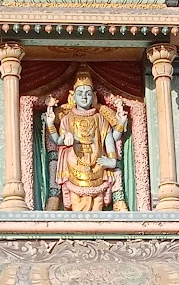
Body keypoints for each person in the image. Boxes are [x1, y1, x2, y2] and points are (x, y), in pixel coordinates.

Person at [43, 71, 129, 211]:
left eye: (88, 93)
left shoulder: (99, 118)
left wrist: (112, 160)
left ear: (94, 96)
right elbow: (58, 140)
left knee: (97, 205)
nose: (84, 96)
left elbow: (110, 138)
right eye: (80, 93)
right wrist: (51, 124)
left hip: (97, 166)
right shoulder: (67, 119)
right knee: (78, 205)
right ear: (73, 97)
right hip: (74, 166)